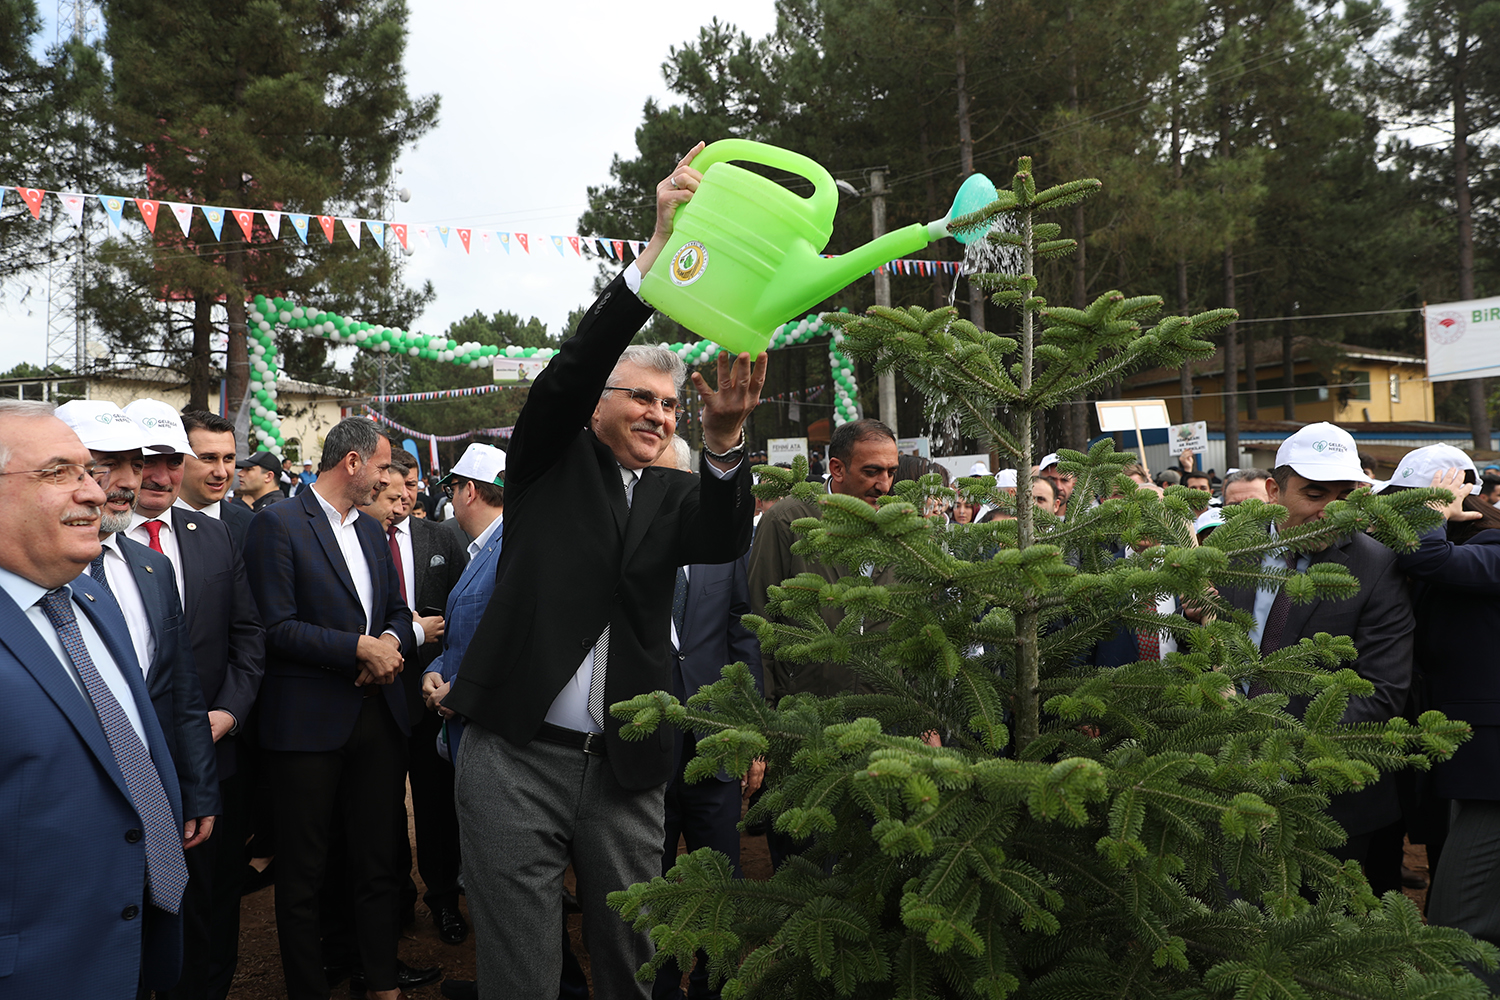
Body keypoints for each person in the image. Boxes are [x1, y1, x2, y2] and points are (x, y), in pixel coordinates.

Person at [442, 144, 766, 1000]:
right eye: (640, 400)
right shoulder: (548, 466)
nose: (659, 415)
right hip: (514, 754)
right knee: (522, 966)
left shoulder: (671, 492)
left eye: (669, 404)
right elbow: (570, 371)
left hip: (627, 766)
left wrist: (726, 441)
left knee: (635, 956)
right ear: (599, 408)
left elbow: (728, 537)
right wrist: (653, 256)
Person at [0, 400, 193, 998]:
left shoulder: (89, 598)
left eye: (89, 470)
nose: (95, 492)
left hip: (131, 951)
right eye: (59, 472)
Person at [242, 416, 429, 1000]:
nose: (388, 480)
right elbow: (274, 627)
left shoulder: (373, 532)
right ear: (352, 463)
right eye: (382, 467)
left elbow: (398, 610)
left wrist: (391, 644)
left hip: (376, 721)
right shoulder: (276, 525)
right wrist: (356, 647)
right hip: (306, 727)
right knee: (304, 874)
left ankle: (379, 983)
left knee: (376, 861)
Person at [1219, 422, 1413, 896]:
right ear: (1273, 490)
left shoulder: (1378, 567)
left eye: (1345, 496)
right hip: (1224, 781)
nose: (1331, 511)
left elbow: (1381, 689)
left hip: (1328, 803)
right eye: (1314, 493)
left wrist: (1284, 756)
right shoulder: (1231, 552)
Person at [125, 398, 266, 1000]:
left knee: (210, 901)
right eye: (146, 461)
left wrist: (228, 713)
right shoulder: (85, 546)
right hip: (125, 764)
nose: (159, 475)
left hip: (213, 756)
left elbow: (247, 636)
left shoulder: (215, 536)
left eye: (227, 458)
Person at [54, 400, 221, 847]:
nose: (127, 481)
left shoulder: (152, 568)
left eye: (135, 463)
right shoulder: (40, 574)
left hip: (157, 790)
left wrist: (198, 789)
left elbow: (180, 692)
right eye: (106, 464)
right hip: (64, 809)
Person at [1373, 447, 1500, 990]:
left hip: (1491, 766)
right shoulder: (1435, 543)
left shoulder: (1491, 542)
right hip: (1453, 755)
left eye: (1411, 503)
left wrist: (1435, 513)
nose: (1402, 515)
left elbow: (1431, 562)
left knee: (1459, 913)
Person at [650, 440, 764, 1000]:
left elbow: (743, 635)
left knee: (722, 877)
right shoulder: (626, 546)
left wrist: (751, 732)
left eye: (677, 480)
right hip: (643, 745)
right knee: (655, 881)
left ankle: (716, 983)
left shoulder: (724, 548)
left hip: (715, 743)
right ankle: (663, 986)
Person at [748, 417, 900, 702]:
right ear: (837, 469)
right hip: (806, 716)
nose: (885, 485)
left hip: (884, 719)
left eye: (892, 472)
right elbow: (759, 621)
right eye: (872, 471)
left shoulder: (902, 528)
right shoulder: (787, 521)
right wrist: (765, 717)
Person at [384, 450, 469, 946]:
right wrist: (408, 632)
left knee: (437, 805)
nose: (407, 496)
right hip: (377, 695)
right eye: (396, 487)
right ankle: (395, 900)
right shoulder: (358, 539)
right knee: (383, 805)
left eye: (413, 486)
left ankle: (444, 899)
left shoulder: (441, 538)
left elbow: (465, 604)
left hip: (433, 697)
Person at [178, 410, 254, 550]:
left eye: (228, 459)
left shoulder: (252, 526)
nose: (222, 473)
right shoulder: (145, 524)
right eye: (208, 458)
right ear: (178, 460)